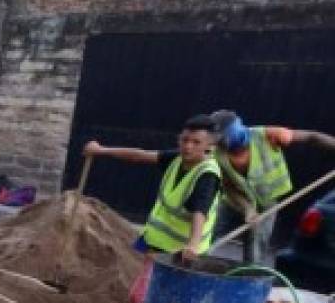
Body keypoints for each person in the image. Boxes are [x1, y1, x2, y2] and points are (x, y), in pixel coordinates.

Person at [84, 115, 222, 263]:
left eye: (196, 142)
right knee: (129, 274)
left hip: (178, 253)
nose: (188, 146)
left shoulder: (208, 175)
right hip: (151, 239)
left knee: (150, 283)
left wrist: (193, 245)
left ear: (210, 146)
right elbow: (139, 156)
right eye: (185, 140)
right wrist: (101, 150)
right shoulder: (176, 158)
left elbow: (200, 212)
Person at [209, 110, 335, 265]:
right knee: (207, 234)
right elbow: (228, 187)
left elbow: (312, 137)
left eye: (224, 136)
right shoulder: (216, 155)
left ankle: (249, 278)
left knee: (255, 250)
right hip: (233, 202)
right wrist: (247, 209)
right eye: (218, 139)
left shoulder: (269, 136)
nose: (223, 142)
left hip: (267, 204)